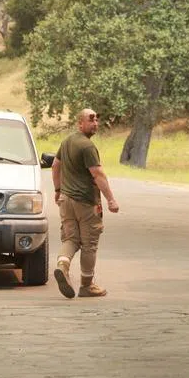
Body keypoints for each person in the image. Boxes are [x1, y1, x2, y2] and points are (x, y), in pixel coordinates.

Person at [51, 107, 120, 299]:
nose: (95, 124)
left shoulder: (67, 141)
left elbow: (56, 166)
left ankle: (62, 266)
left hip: (66, 200)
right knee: (89, 243)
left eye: (96, 120)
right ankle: (87, 285)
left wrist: (58, 190)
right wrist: (111, 200)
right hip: (85, 203)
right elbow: (97, 174)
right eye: (91, 120)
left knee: (70, 239)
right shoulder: (87, 147)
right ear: (80, 123)